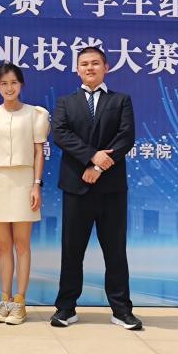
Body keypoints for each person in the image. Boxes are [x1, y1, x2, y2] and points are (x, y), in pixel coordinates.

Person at [49, 47, 141, 330]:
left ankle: (121, 310)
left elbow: (126, 137)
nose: (90, 68)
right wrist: (91, 156)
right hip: (76, 187)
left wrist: (99, 167)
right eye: (84, 64)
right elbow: (60, 134)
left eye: (95, 63)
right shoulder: (66, 102)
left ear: (106, 67)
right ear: (77, 69)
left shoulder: (120, 100)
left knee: (115, 252)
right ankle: (66, 308)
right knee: (71, 251)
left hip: (111, 189)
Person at [0, 63, 48, 325]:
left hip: (24, 181)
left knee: (22, 244)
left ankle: (20, 302)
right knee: (3, 245)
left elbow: (39, 152)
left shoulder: (35, 114)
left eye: (13, 83)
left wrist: (36, 184)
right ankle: (5, 300)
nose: (9, 88)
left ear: (21, 85)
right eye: (4, 84)